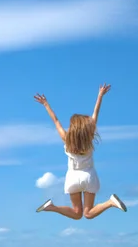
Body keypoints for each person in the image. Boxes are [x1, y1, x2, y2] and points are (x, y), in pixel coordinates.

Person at [34, 83, 127, 219]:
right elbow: (95, 115)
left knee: (77, 214)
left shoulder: (67, 140)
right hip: (89, 176)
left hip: (72, 177)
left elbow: (56, 121)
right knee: (88, 213)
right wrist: (100, 95)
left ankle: (51, 207)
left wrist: (45, 104)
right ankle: (110, 202)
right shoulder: (88, 139)